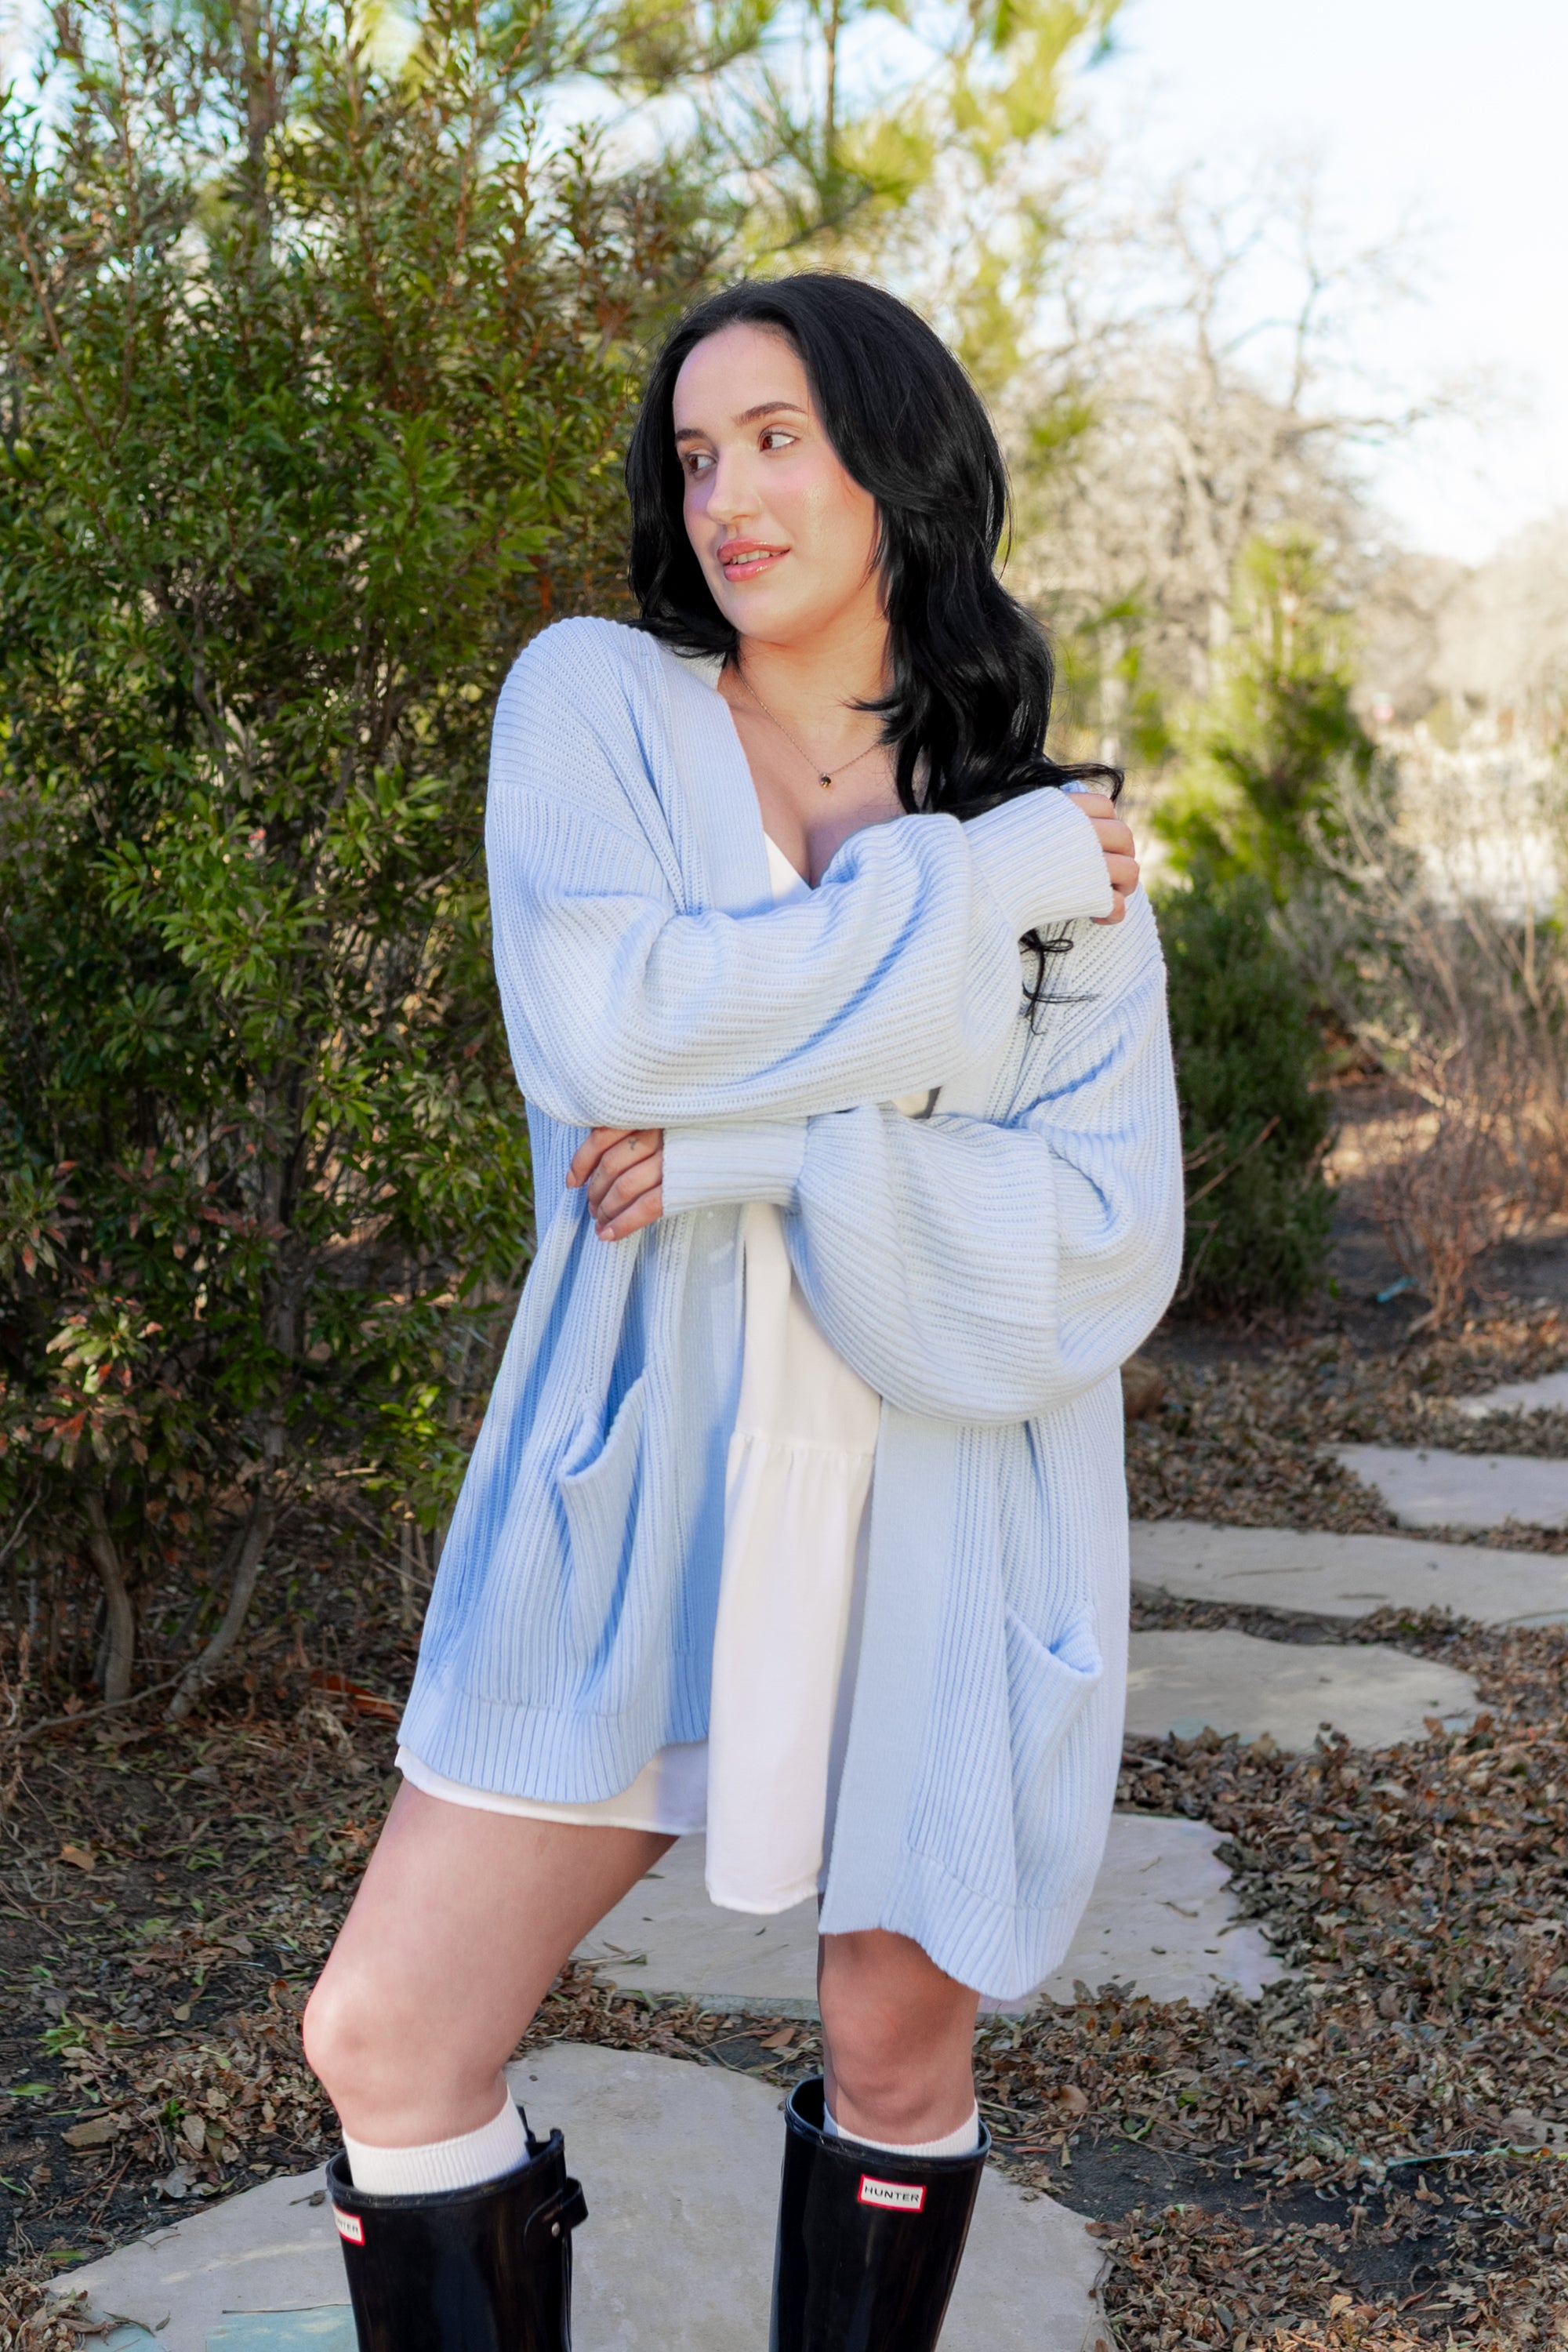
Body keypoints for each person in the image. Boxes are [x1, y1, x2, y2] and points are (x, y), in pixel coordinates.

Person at [303, 271, 1184, 2352]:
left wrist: (774, 1159)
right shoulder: (608, 707)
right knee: (388, 2031)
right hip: (649, 1501)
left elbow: (1103, 1234)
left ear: (898, 460)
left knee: (895, 2058)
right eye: (695, 455)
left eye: (778, 436)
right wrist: (974, 892)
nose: (727, 495)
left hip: (946, 1517)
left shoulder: (1059, 843)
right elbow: (617, 1032)